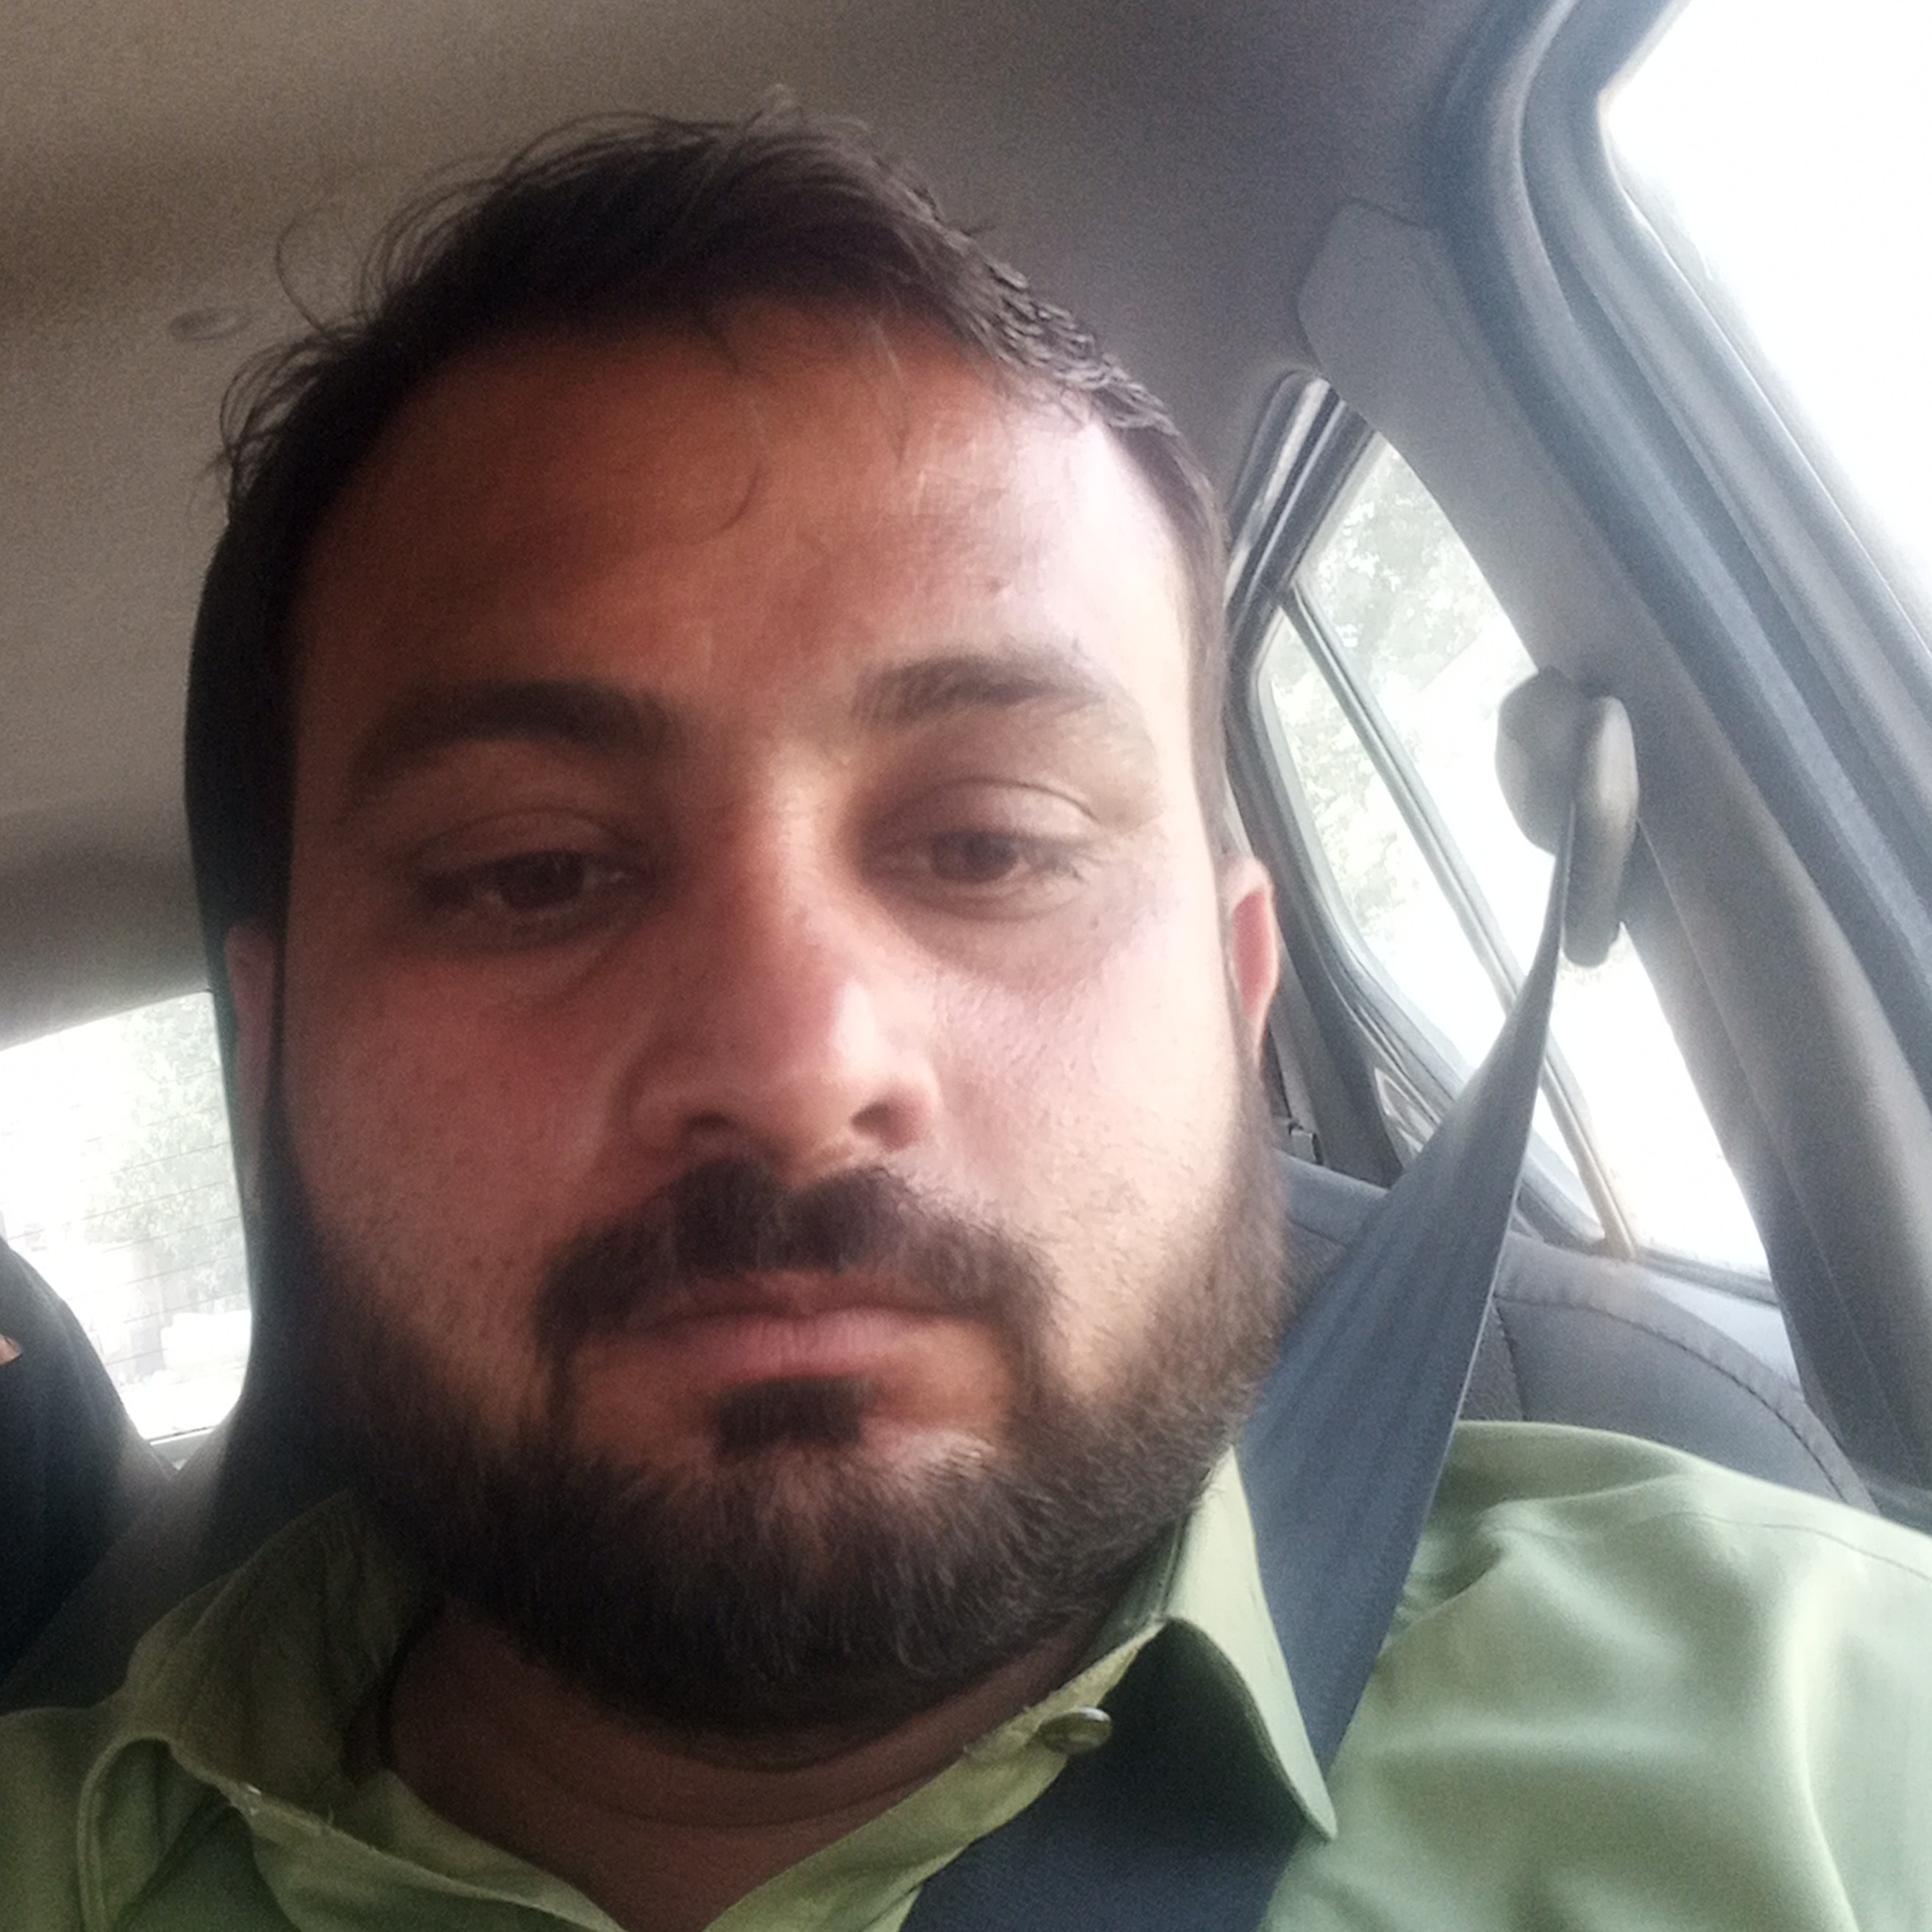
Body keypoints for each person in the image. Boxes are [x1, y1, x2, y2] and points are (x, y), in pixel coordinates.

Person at [1, 110, 1928, 1932]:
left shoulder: (1833, 1742)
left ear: (1239, 992)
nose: (795, 1067)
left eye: (993, 843)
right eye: (530, 871)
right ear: (271, 1058)